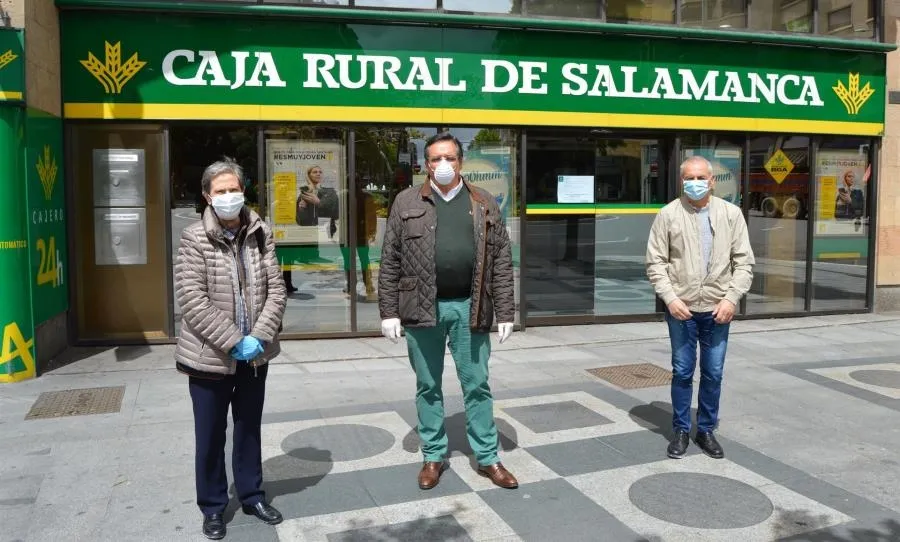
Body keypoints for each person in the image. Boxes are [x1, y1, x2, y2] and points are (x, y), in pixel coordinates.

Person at [378, 132, 517, 490]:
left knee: (477, 385)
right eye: (436, 159)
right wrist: (388, 311)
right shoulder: (406, 201)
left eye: (450, 159)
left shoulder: (483, 201)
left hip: (470, 308)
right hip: (422, 309)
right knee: (428, 386)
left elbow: (501, 259)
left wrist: (505, 311)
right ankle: (433, 456)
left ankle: (488, 457)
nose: (443, 165)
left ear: (461, 162)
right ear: (426, 164)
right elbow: (390, 258)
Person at [175, 159, 287, 540]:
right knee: (209, 435)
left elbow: (276, 289)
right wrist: (233, 340)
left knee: (249, 428)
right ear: (207, 196)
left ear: (244, 191)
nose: (228, 197)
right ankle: (212, 506)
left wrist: (259, 335)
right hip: (210, 356)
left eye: (233, 189)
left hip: (255, 354)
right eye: (220, 191)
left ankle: (253, 494)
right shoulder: (194, 238)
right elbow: (191, 299)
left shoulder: (260, 232)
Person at [645, 155, 754, 461]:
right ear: (682, 181)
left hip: (719, 308)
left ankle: (705, 429)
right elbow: (656, 263)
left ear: (712, 181)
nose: (694, 183)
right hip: (682, 309)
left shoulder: (731, 214)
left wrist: (731, 299)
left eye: (700, 178)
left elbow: (744, 263)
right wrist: (671, 298)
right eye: (688, 178)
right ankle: (680, 429)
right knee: (682, 371)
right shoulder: (668, 215)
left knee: (713, 372)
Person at [341, 177, 379, 302]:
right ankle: (357, 285)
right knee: (355, 260)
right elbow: (337, 213)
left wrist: (371, 232)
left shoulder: (366, 197)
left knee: (360, 260)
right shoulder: (344, 197)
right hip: (349, 234)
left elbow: (371, 216)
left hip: (358, 234)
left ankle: (365, 284)